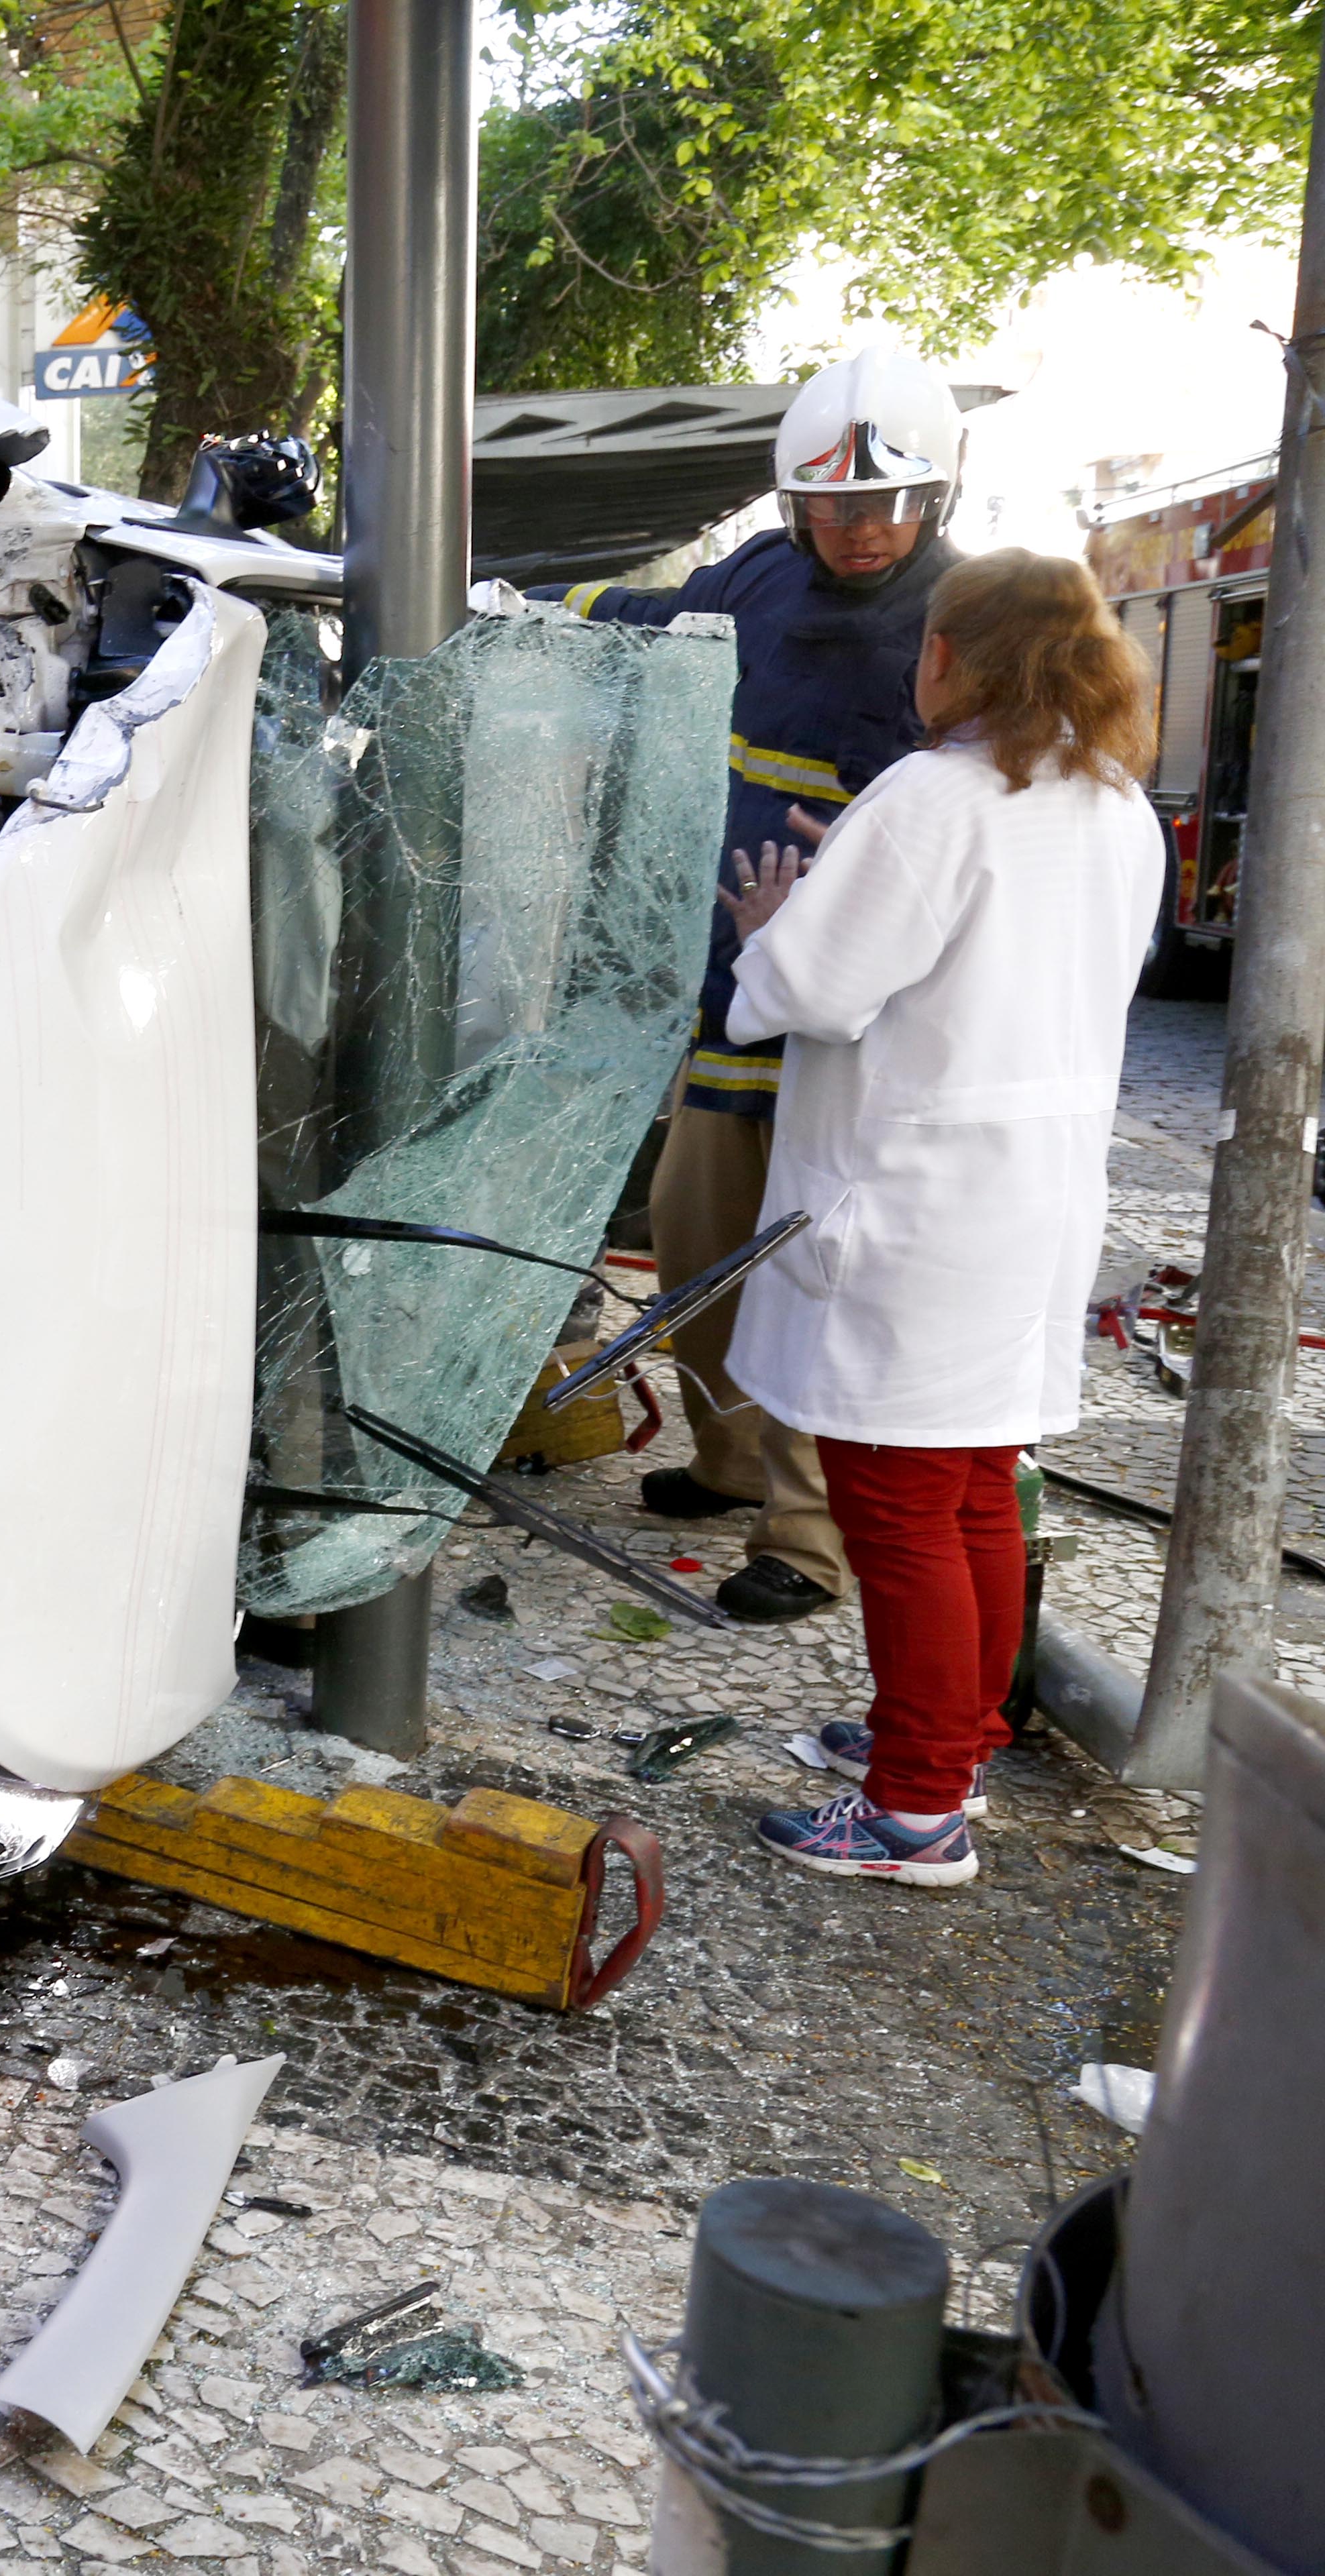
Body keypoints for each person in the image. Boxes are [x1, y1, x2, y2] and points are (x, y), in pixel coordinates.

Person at [725, 551, 1158, 1888]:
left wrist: (776, 915)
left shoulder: (936, 797)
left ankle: (917, 1809)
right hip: (1027, 1204)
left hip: (915, 1202)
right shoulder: (1118, 804)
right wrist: (843, 883)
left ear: (954, 658)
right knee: (970, 1484)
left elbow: (812, 985)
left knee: (901, 1503)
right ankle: (949, 1735)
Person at [545, 341, 967, 1627]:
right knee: (699, 1239)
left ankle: (808, 1532)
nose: (861, 527)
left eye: (889, 504)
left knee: (812, 1275)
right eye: (836, 504)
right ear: (796, 505)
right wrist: (533, 603)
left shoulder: (963, 616)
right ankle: (729, 1465)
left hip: (856, 1011)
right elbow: (665, 622)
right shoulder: (766, 577)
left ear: (934, 499)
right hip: (735, 982)